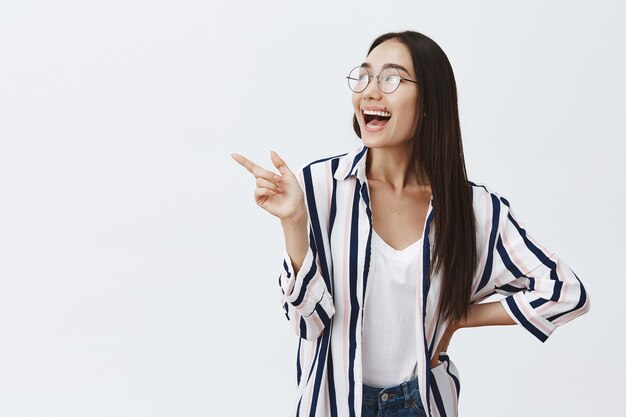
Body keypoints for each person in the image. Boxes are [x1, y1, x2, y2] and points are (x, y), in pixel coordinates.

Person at [231, 30, 590, 417]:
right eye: (365, 76)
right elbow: (308, 323)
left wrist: (457, 317)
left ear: (428, 103)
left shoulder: (470, 208)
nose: (370, 91)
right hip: (334, 405)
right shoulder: (320, 189)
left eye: (391, 79)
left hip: (421, 403)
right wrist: (294, 225)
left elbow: (565, 292)